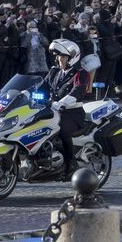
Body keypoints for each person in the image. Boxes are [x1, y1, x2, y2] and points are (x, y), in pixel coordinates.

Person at [46, 39, 88, 177]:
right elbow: (41, 85)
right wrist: (24, 93)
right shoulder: (54, 72)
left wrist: (61, 103)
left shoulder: (80, 73)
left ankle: (71, 163)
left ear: (72, 57)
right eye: (58, 56)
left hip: (72, 113)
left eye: (63, 56)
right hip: (53, 111)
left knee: (62, 129)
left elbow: (78, 91)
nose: (59, 59)